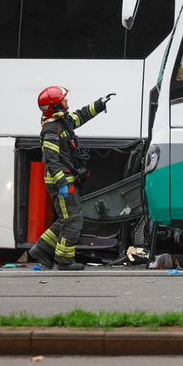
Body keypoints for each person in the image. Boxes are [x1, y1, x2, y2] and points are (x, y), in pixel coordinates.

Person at [28, 86, 115, 270]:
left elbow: (80, 116)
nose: (67, 102)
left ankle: (42, 249)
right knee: (73, 220)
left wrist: (99, 105)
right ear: (55, 106)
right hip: (62, 182)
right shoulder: (51, 129)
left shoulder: (63, 122)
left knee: (67, 218)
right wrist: (61, 183)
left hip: (67, 179)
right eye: (64, 100)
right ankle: (64, 260)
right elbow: (51, 161)